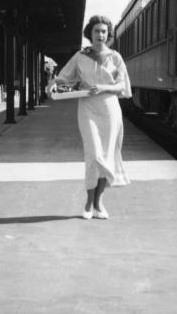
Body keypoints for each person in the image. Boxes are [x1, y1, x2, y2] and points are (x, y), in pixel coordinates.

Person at [47, 15, 132, 220]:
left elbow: (122, 86)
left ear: (108, 34)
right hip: (87, 109)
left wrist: (103, 87)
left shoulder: (115, 58)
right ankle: (88, 202)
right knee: (93, 155)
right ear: (90, 34)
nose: (100, 35)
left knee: (106, 156)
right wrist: (52, 82)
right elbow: (64, 76)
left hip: (110, 110)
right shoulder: (80, 56)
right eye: (96, 31)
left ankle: (99, 203)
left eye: (103, 31)